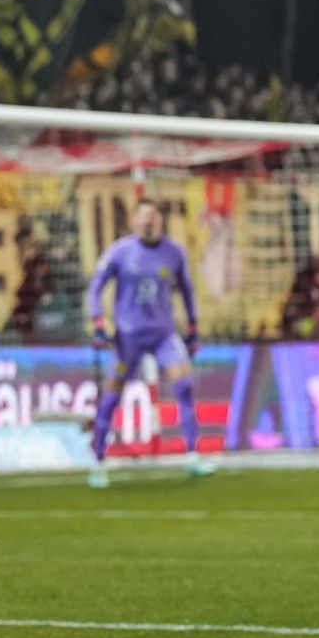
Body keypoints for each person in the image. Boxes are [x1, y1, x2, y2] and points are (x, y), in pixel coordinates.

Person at [86, 198, 207, 486]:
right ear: (134, 221)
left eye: (152, 217)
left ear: (160, 221)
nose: (147, 222)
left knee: (185, 384)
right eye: (142, 217)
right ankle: (98, 462)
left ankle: (192, 456)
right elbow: (95, 288)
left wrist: (192, 325)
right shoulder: (119, 252)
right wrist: (98, 321)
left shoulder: (174, 252)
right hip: (127, 337)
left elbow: (187, 291)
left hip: (164, 334)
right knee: (111, 397)